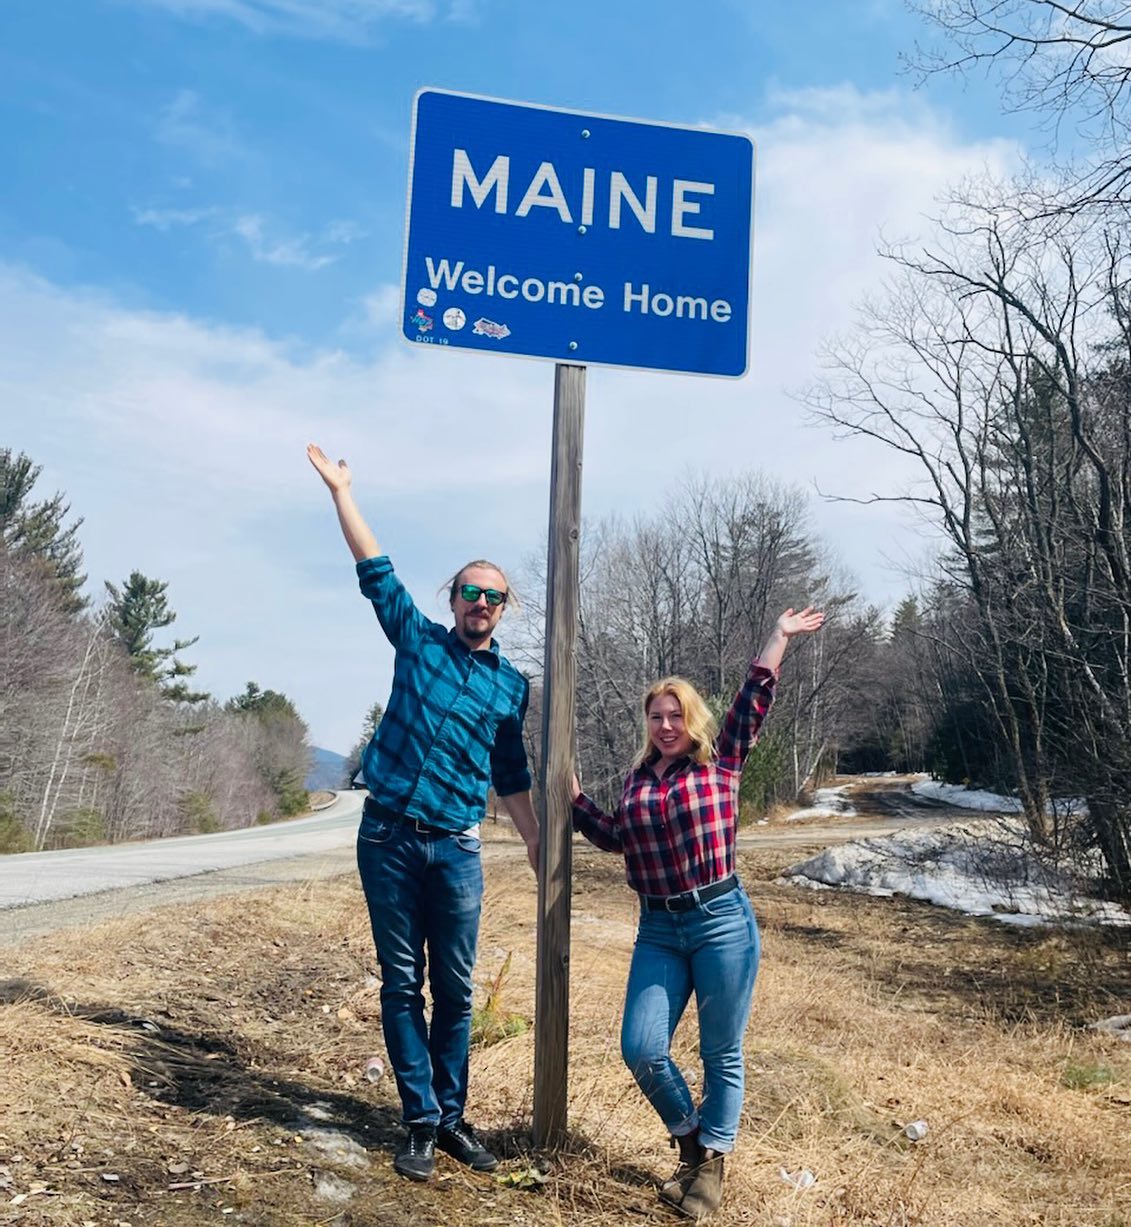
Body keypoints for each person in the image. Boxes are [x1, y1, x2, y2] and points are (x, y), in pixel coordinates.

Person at [307, 443, 540, 1182]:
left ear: (505, 610)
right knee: (402, 981)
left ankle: (451, 1117)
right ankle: (417, 1119)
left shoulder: (511, 686)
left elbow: (511, 772)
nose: (480, 602)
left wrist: (536, 841)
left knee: (458, 990)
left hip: (458, 848)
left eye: (493, 595)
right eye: (471, 590)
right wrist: (343, 492)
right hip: (388, 836)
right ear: (453, 597)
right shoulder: (418, 641)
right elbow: (375, 570)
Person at [570, 607, 824, 1222]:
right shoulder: (636, 780)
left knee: (720, 1053)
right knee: (641, 1046)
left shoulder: (721, 761)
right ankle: (691, 1146)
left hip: (720, 922)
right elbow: (615, 838)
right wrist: (575, 800)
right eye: (655, 716)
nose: (665, 725)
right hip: (657, 927)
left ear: (692, 718)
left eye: (675, 714)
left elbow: (753, 700)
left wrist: (777, 639)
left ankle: (709, 1172)